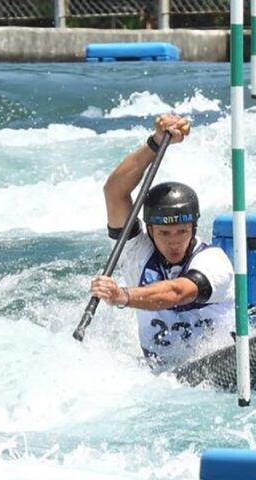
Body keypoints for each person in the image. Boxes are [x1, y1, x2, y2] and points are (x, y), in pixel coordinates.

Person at [89, 114, 235, 369]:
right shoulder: (135, 251)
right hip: (162, 375)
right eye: (164, 233)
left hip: (221, 362)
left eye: (182, 231)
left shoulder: (213, 261)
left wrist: (122, 295)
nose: (174, 242)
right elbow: (114, 191)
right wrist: (155, 143)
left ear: (193, 227)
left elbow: (177, 293)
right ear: (150, 229)